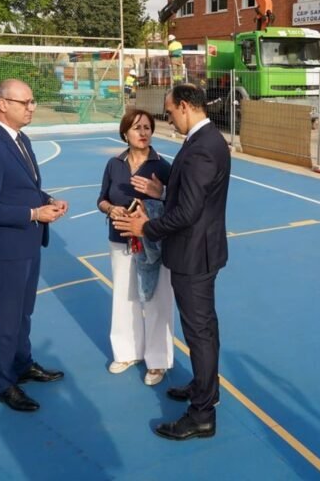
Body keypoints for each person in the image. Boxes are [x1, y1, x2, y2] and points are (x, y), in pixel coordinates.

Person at [114, 84, 231, 441]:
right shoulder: (207, 140)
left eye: (169, 112)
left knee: (199, 331)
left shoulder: (201, 150)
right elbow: (194, 196)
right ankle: (203, 388)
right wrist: (161, 192)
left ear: (184, 107)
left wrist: (146, 226)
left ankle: (202, 414)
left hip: (194, 254)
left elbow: (188, 212)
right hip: (201, 250)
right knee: (204, 327)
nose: (168, 119)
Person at [0, 78, 69, 412]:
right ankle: (4, 382)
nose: (31, 108)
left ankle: (22, 363)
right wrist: (33, 212)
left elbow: (22, 188)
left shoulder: (19, 139)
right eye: (24, 102)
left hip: (26, 242)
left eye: (32, 101)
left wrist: (46, 199)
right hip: (4, 248)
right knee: (5, 317)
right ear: (2, 104)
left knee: (23, 312)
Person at [97, 109, 174, 386]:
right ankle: (127, 352)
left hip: (152, 241)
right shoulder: (114, 164)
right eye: (136, 128)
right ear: (125, 133)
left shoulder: (162, 167)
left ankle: (158, 360)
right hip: (120, 239)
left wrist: (159, 195)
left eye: (147, 128)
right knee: (124, 296)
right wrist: (111, 209)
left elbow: (178, 205)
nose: (143, 133)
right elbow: (102, 199)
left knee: (156, 299)